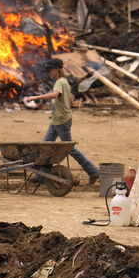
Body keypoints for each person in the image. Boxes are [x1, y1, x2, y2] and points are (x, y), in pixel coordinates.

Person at [23, 57, 100, 186]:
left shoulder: (59, 82)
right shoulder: (65, 82)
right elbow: (71, 101)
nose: (48, 73)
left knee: (70, 149)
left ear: (57, 70)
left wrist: (36, 97)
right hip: (58, 120)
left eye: (50, 70)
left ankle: (93, 172)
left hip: (61, 121)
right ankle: (40, 175)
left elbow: (55, 95)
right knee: (46, 145)